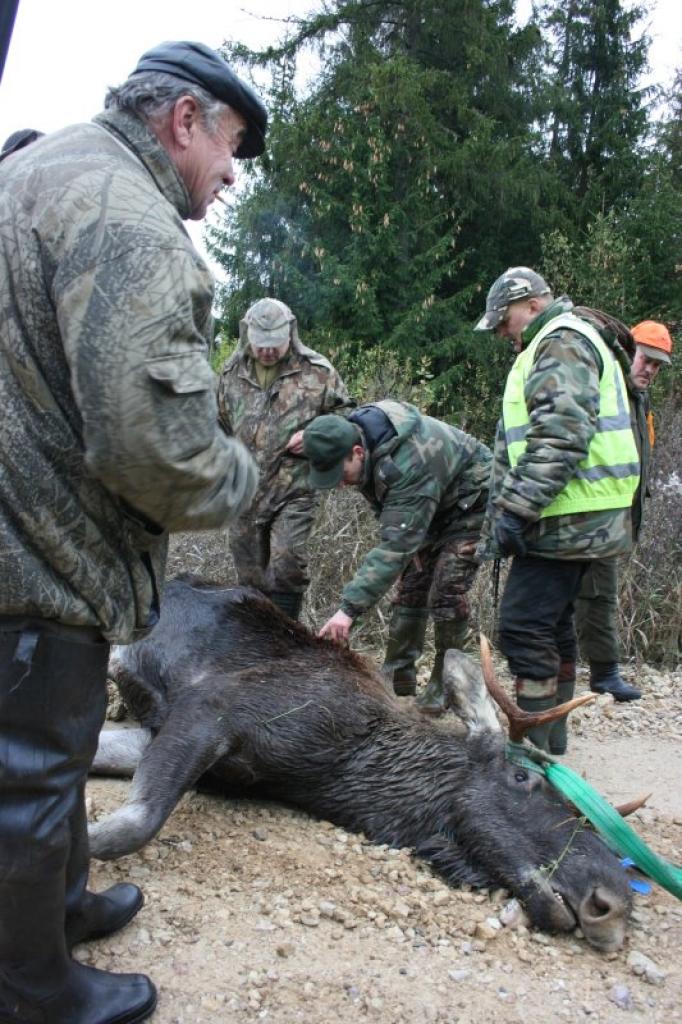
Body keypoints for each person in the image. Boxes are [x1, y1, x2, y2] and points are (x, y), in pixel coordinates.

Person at [0, 41, 267, 1024]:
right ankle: (29, 987)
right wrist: (239, 472)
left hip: (18, 524)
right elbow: (156, 452)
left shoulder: (40, 166)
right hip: (37, 552)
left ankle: (57, 909)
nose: (232, 173)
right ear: (184, 120)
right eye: (231, 146)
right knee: (27, 769)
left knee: (49, 751)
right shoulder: (133, 226)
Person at [474, 268, 640, 754]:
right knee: (553, 624)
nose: (504, 333)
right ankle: (553, 743)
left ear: (527, 304)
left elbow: (561, 435)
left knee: (523, 626)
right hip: (589, 518)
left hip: (567, 518)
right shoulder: (574, 337)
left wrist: (516, 510)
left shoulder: (559, 341)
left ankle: (530, 752)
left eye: (503, 322)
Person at [302, 400, 492, 714]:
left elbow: (394, 548)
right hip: (432, 504)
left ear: (358, 453)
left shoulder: (407, 462)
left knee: (446, 591)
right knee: (412, 586)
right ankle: (398, 675)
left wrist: (347, 611)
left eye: (340, 472)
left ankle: (448, 685)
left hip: (472, 503)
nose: (338, 482)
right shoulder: (355, 436)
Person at [218, 298, 352, 619]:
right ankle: (253, 644)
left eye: (274, 344)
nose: (267, 351)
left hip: (295, 488)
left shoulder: (318, 371)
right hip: (244, 491)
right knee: (249, 574)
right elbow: (216, 424)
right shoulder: (230, 373)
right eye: (260, 344)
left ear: (289, 333)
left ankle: (285, 639)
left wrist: (315, 437)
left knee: (286, 563)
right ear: (246, 334)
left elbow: (348, 418)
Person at [575, 319, 674, 701]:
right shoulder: (604, 387)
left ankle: (602, 673)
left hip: (615, 514)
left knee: (599, 592)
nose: (649, 369)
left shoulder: (637, 397)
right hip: (588, 510)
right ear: (629, 351)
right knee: (588, 593)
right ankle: (597, 674)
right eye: (646, 359)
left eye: (657, 365)